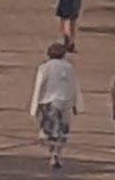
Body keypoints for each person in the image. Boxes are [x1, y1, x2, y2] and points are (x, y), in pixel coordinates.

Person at [30, 40, 82, 168]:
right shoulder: (69, 67)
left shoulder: (45, 67)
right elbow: (74, 86)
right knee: (62, 130)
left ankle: (53, 152)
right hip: (65, 101)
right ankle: (57, 152)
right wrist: (77, 104)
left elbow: (39, 86)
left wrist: (35, 107)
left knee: (51, 130)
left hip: (49, 102)